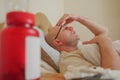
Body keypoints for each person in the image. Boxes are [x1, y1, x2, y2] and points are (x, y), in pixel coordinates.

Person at [45, 14, 120, 74]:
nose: (71, 28)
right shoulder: (69, 62)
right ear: (58, 42)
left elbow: (104, 32)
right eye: (64, 29)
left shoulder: (80, 46)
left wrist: (78, 18)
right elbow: (112, 75)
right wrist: (105, 41)